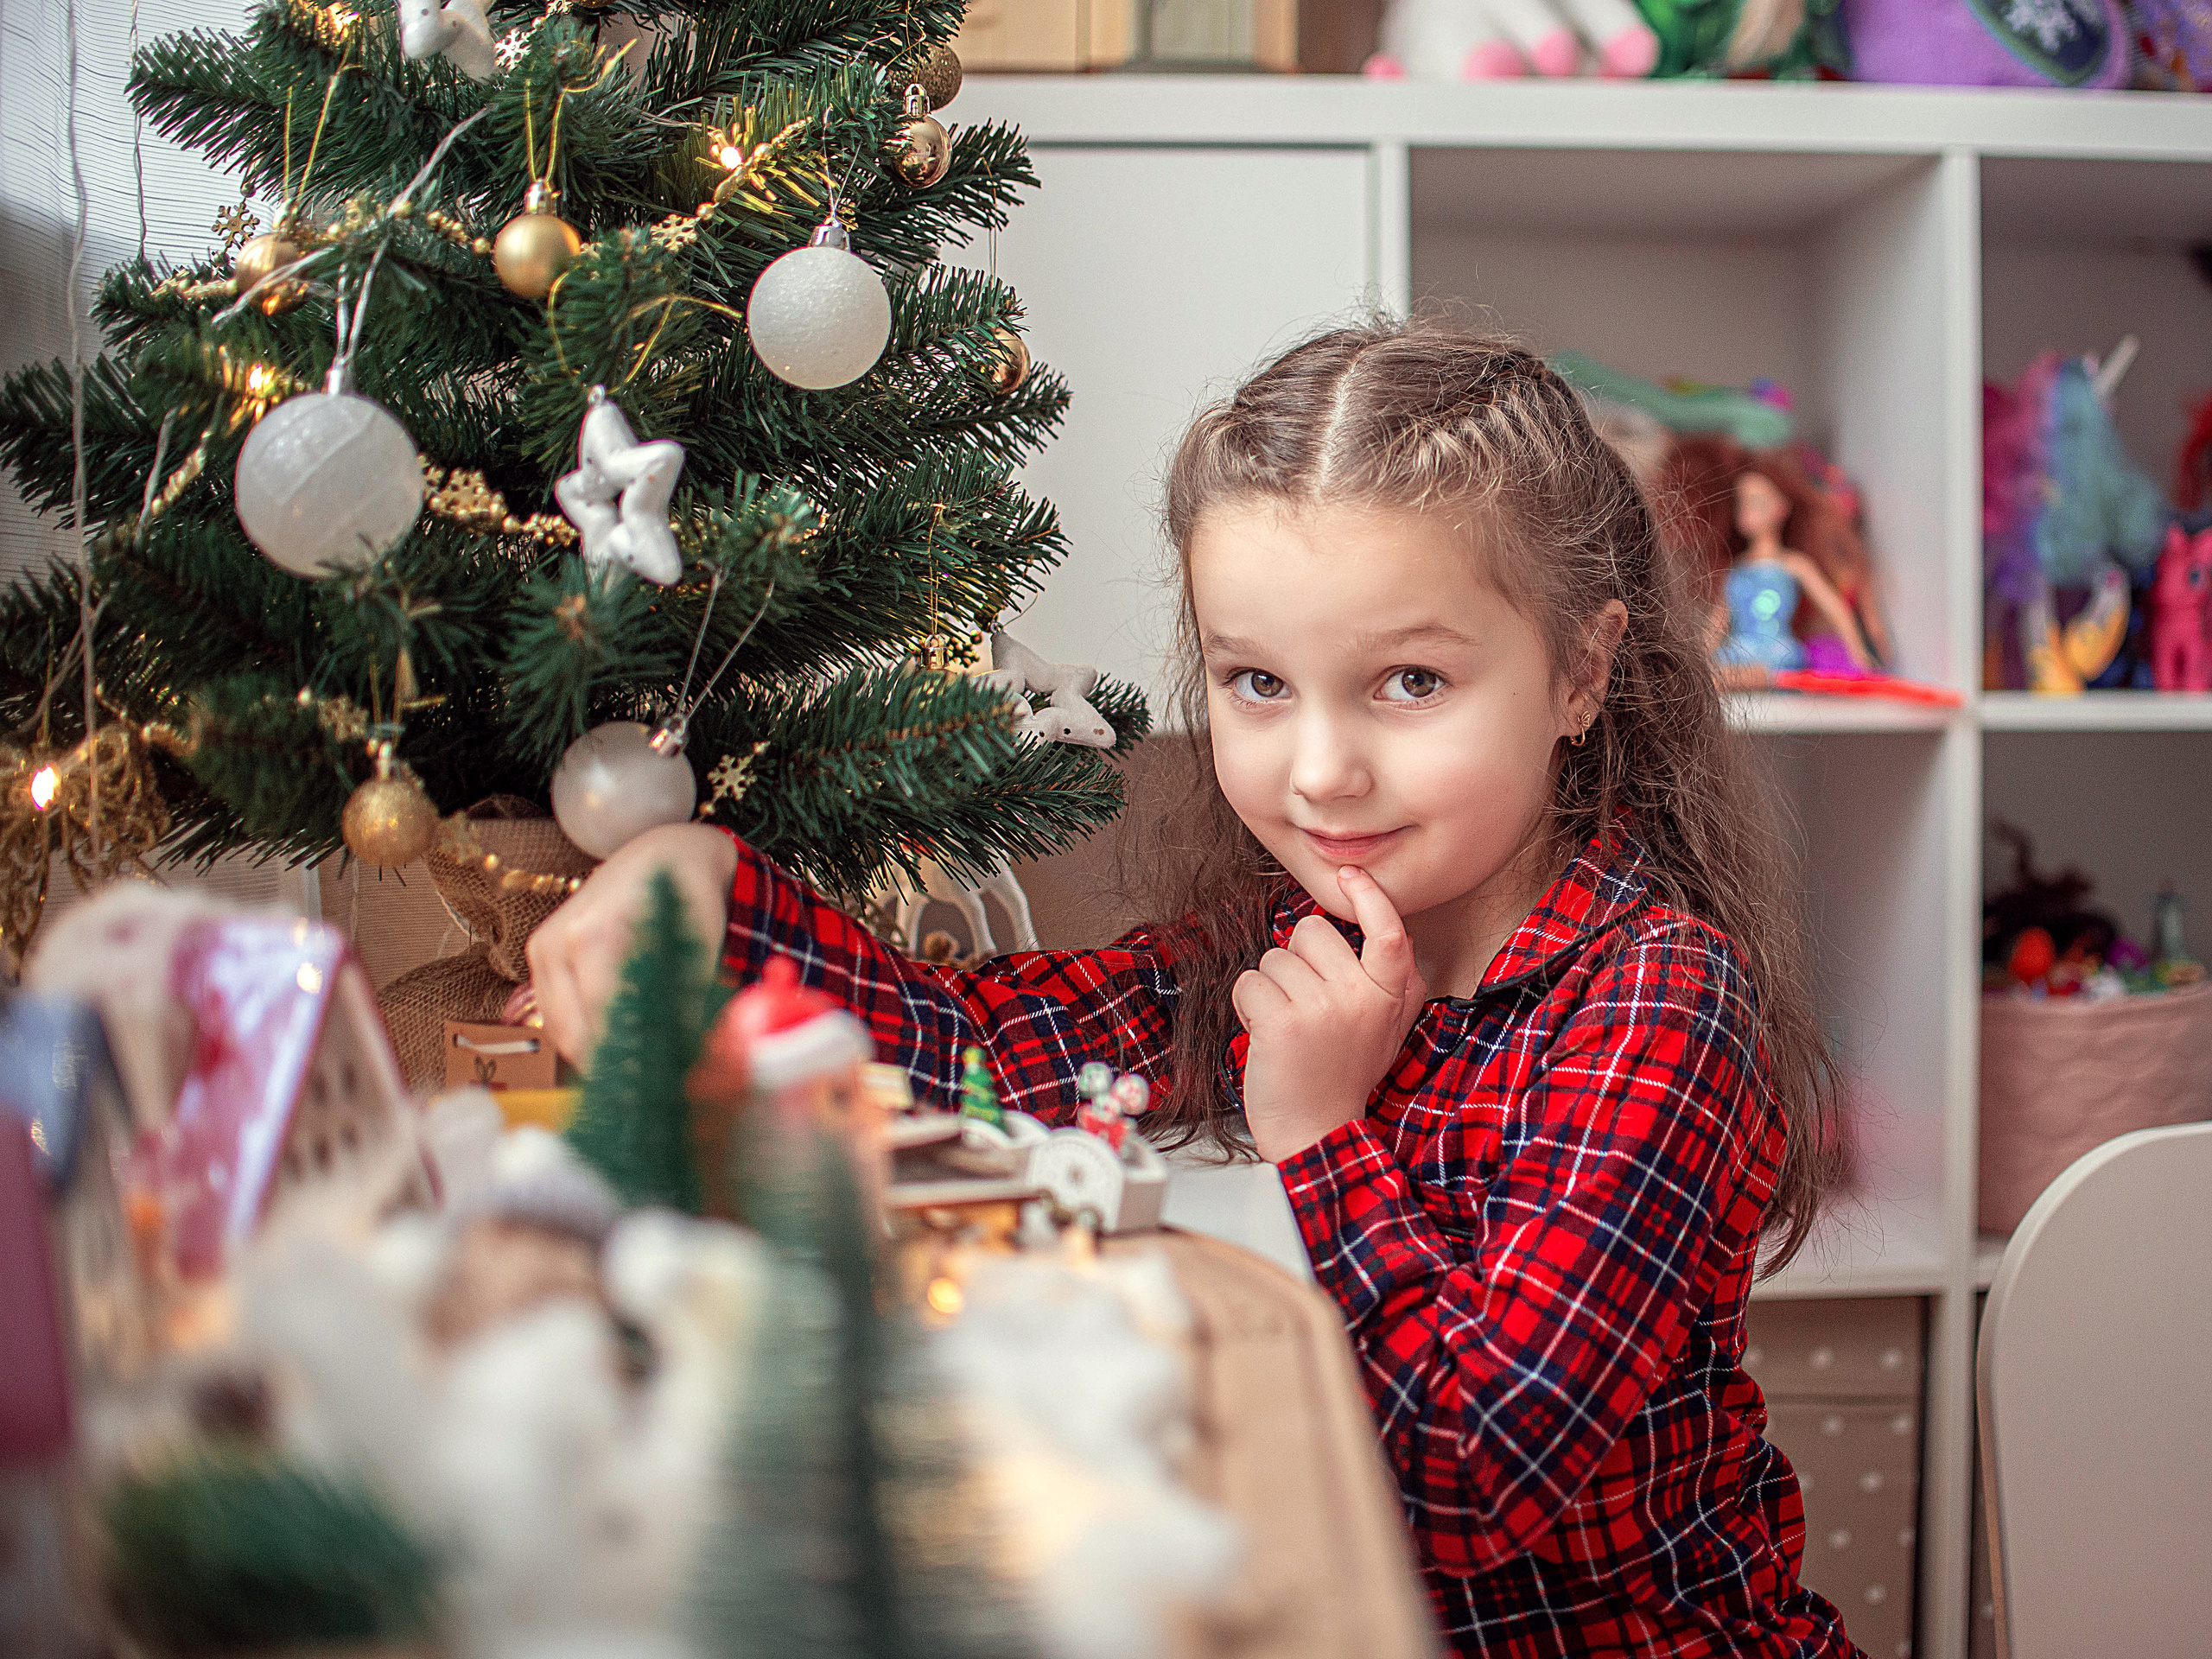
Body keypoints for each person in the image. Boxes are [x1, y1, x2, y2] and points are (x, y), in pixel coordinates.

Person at [527, 321, 1858, 1658]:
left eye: (1411, 682)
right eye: (1259, 683)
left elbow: (1464, 1478)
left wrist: (1322, 1132)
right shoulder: (1286, 941)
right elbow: (970, 1047)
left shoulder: (1658, 1005)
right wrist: (711, 885)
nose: (1321, 770)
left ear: (1581, 670)